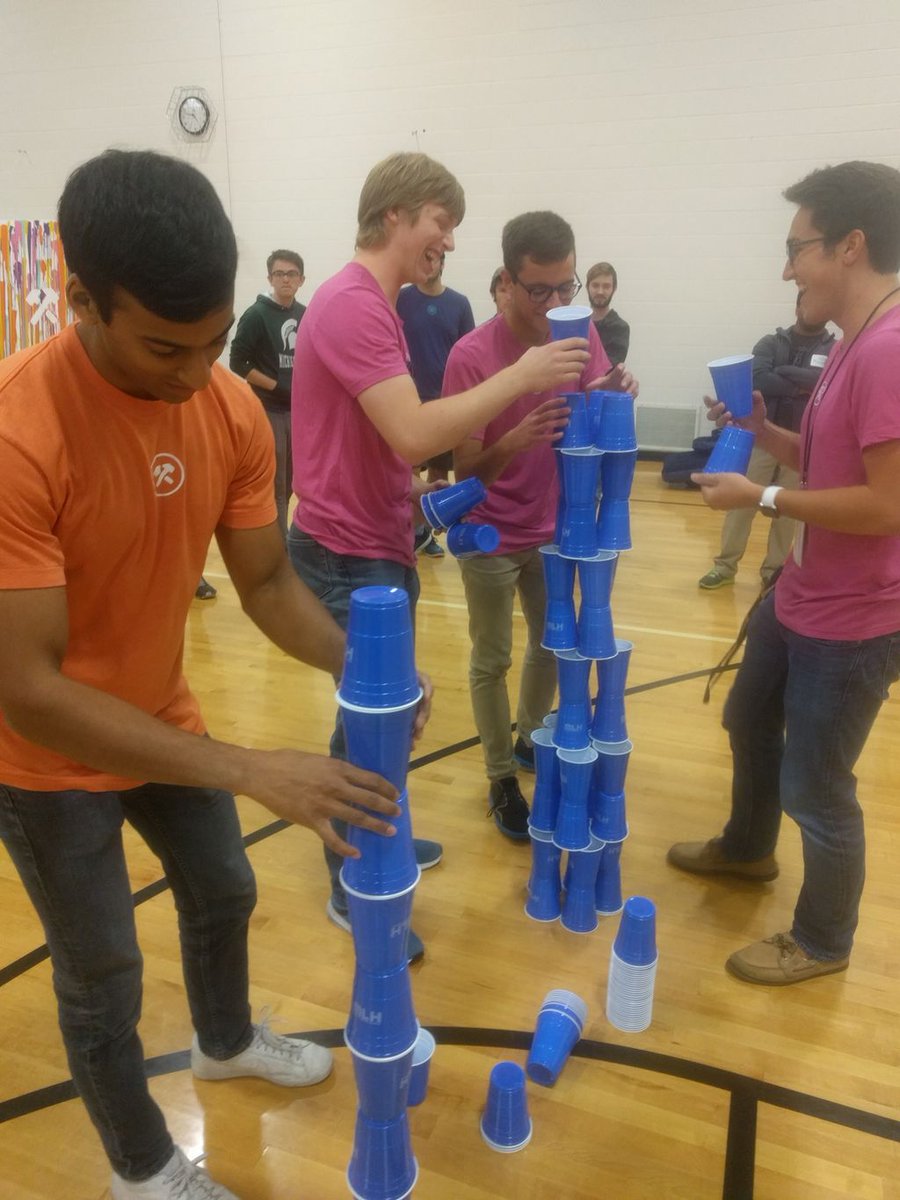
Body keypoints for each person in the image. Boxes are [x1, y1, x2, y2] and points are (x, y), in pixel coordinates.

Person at [0, 149, 411, 1200]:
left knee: (225, 888)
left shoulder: (226, 409)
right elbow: (32, 691)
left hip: (158, 712)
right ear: (81, 300)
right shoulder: (17, 433)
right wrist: (250, 767)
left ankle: (223, 1044)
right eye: (163, 347)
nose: (194, 376)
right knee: (104, 974)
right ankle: (141, 1170)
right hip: (41, 759)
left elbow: (265, 581)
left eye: (215, 343)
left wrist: (366, 672)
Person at [288, 153, 590, 946]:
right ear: (395, 214)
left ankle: (379, 837)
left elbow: (389, 441)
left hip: (375, 540)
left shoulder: (374, 303)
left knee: (389, 721)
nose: (448, 241)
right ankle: (356, 886)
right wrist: (523, 376)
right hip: (346, 552)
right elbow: (417, 430)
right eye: (439, 222)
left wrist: (409, 487)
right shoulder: (354, 304)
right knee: (368, 727)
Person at [669, 160, 900, 986]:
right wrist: (766, 432)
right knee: (748, 718)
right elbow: (835, 464)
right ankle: (747, 849)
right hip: (802, 592)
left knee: (817, 785)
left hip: (856, 617)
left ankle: (824, 939)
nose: (786, 268)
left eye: (797, 248)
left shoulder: (888, 351)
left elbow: (886, 505)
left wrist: (761, 495)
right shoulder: (851, 341)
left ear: (850, 246)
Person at [444, 212, 638, 837]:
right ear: (506, 281)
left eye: (566, 286)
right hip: (489, 533)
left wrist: (612, 390)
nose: (556, 304)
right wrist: (516, 439)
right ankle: (500, 775)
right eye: (539, 290)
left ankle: (529, 738)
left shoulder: (579, 334)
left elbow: (592, 402)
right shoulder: (472, 356)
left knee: (552, 645)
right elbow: (465, 469)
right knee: (491, 658)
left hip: (555, 527)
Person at [698, 300, 835, 589]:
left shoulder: (833, 349)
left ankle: (773, 572)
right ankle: (724, 566)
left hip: (802, 444)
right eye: (805, 304)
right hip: (760, 438)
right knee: (740, 505)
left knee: (789, 514)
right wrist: (801, 385)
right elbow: (760, 380)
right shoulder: (770, 342)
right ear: (797, 308)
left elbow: (821, 382)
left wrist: (782, 371)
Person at [397, 251, 475, 557]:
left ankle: (426, 534)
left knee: (439, 471)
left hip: (445, 400)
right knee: (407, 468)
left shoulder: (459, 304)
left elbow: (470, 351)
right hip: (407, 399)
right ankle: (405, 531)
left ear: (443, 262)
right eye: (426, 258)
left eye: (436, 259)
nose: (431, 265)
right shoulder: (401, 298)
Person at [229, 249, 306, 537]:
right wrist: (277, 386)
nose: (285, 279)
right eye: (279, 274)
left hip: (297, 413)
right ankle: (280, 549)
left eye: (291, 274)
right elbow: (238, 362)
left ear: (301, 279)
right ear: (270, 278)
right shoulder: (256, 315)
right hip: (268, 411)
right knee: (276, 484)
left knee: (292, 483)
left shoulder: (305, 314)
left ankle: (283, 539)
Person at [586, 260, 630, 364]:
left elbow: (609, 368)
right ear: (587, 287)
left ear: (614, 289)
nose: (600, 291)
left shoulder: (619, 328)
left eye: (606, 286)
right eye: (595, 285)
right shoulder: (579, 323)